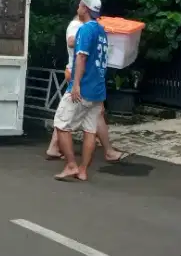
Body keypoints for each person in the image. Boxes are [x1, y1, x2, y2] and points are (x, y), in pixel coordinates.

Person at [45, 9, 131, 164]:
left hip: (83, 75)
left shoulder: (87, 27)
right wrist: (86, 38)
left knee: (78, 114)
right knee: (77, 116)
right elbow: (71, 41)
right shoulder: (77, 25)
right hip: (79, 74)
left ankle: (57, 149)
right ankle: (103, 152)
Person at [53, 0, 110, 182]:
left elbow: (82, 57)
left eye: (80, 5)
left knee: (61, 123)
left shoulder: (85, 30)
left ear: (84, 8)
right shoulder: (102, 31)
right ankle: (83, 170)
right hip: (97, 89)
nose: (78, 7)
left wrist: (75, 84)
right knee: (90, 130)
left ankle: (71, 165)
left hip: (83, 87)